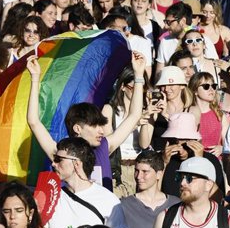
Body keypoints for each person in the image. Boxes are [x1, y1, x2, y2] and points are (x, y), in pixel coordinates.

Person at [26, 47, 146, 189]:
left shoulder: (103, 148)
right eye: (95, 126)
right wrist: (35, 79)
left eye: (101, 125)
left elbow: (134, 116)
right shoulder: (61, 154)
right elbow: (34, 121)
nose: (101, 131)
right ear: (77, 128)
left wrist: (139, 75)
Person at [45, 137, 128, 228]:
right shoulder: (51, 196)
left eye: (59, 159)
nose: (54, 164)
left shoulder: (108, 200)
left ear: (76, 163)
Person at [120, 149, 180, 228]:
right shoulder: (124, 205)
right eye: (136, 171)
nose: (138, 176)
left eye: (145, 172)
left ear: (159, 174)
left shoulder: (175, 205)